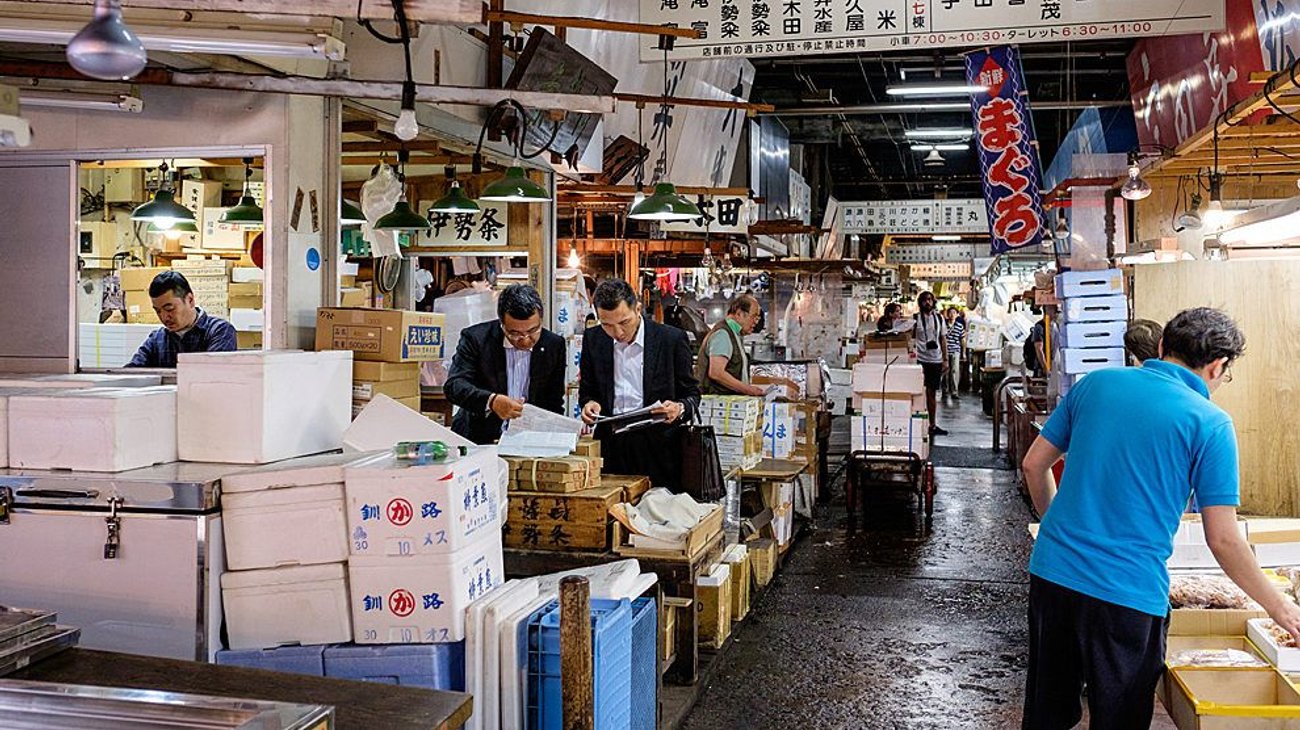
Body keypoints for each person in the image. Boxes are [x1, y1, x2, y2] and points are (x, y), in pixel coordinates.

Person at [1020, 308, 1300, 728]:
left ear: (1164, 346)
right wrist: (1281, 608)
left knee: (1047, 714)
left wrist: (1060, 534)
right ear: (1217, 366)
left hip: (1053, 577)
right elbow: (1223, 539)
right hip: (1126, 594)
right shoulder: (1210, 423)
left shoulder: (1096, 385)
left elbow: (1033, 465)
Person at [579, 278, 700, 489]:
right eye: (607, 324)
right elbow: (588, 390)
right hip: (611, 445)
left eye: (624, 322)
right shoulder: (593, 338)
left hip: (658, 446)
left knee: (656, 515)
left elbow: (692, 394)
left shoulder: (670, 340)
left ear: (638, 309)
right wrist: (590, 404)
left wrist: (679, 409)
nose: (617, 333)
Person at [445, 284, 567, 445]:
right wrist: (491, 401)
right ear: (502, 323)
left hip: (529, 442)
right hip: (479, 439)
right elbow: (455, 386)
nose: (525, 339)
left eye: (532, 331)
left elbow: (554, 401)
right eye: (514, 333)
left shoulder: (553, 345)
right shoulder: (476, 339)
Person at [127, 271, 236, 368]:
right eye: (158, 311)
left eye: (169, 309)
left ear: (190, 300)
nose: (164, 317)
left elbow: (212, 376)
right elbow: (131, 373)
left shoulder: (220, 331)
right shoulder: (157, 339)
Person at [696, 293, 765, 396]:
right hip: (719, 406)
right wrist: (748, 390)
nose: (755, 322)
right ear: (739, 314)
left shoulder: (735, 334)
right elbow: (716, 373)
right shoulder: (722, 334)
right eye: (754, 317)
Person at [911, 291, 948, 437]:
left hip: (935, 359)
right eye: (925, 300)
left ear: (933, 302)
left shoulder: (939, 318)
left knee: (932, 393)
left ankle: (932, 424)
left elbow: (943, 339)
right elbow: (910, 338)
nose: (927, 302)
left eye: (930, 300)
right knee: (917, 392)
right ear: (920, 302)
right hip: (919, 360)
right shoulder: (915, 319)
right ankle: (917, 423)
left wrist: (946, 359)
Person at [942, 306, 966, 401]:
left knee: (955, 371)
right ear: (947, 315)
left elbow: (963, 340)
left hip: (956, 351)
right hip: (945, 351)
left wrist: (963, 353)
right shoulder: (944, 326)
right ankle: (945, 390)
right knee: (945, 371)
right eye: (950, 313)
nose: (952, 315)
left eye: (954, 313)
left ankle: (955, 392)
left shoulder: (959, 326)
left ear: (957, 315)